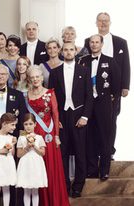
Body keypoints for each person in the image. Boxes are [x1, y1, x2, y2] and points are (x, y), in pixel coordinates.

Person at [49, 42, 92, 200]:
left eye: (71, 49)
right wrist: (55, 119)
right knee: (63, 153)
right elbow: (51, 98)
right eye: (65, 50)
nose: (68, 52)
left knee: (81, 152)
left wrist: (85, 116)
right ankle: (65, 185)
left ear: (75, 52)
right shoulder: (55, 72)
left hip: (79, 115)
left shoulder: (84, 71)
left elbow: (89, 96)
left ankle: (78, 186)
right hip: (62, 117)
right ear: (61, 52)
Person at [84, 12, 130, 158]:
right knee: (93, 121)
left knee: (111, 119)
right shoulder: (88, 41)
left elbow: (126, 65)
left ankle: (108, 150)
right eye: (100, 21)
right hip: (92, 89)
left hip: (113, 88)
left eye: (106, 21)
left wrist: (125, 86)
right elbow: (84, 61)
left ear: (110, 22)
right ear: (96, 23)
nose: (103, 23)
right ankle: (97, 151)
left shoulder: (121, 42)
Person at [79, 34, 121, 180]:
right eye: (92, 42)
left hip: (103, 105)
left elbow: (116, 87)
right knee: (89, 137)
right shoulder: (83, 61)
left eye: (97, 42)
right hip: (87, 105)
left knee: (105, 137)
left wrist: (112, 107)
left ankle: (104, 170)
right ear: (89, 44)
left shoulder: (110, 61)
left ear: (102, 44)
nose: (94, 44)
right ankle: (92, 170)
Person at [27, 66, 69, 204]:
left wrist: (56, 136)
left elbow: (55, 115)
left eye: (37, 76)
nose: (35, 79)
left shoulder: (50, 93)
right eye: (32, 77)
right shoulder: (26, 94)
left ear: (42, 77)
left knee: (51, 166)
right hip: (34, 133)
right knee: (37, 166)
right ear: (29, 79)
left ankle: (54, 200)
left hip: (49, 134)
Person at [16, 114, 48, 206]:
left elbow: (43, 153)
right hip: (25, 163)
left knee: (35, 190)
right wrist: (27, 147)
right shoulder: (21, 138)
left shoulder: (39, 138)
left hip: (36, 163)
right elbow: (18, 154)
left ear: (35, 124)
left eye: (30, 124)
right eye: (26, 124)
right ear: (23, 125)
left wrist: (34, 146)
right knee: (26, 190)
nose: (28, 126)